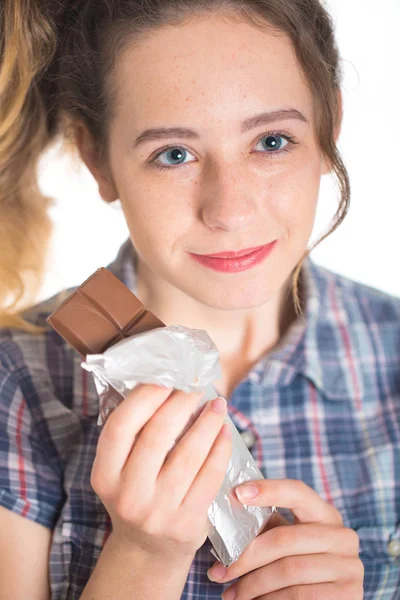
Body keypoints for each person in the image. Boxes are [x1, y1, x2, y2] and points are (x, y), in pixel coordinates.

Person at [0, 0, 399, 598]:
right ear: (96, 158)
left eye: (271, 140)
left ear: (327, 127)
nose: (230, 211)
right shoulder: (17, 379)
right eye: (174, 154)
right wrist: (142, 557)